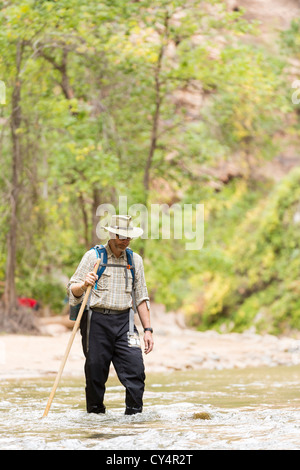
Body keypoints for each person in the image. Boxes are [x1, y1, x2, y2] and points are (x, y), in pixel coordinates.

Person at [67, 215, 154, 415]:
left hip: (125, 322)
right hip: (96, 321)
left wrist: (148, 330)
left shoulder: (135, 260)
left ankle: (133, 418)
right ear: (112, 234)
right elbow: (72, 290)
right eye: (122, 236)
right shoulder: (93, 257)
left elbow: (141, 297)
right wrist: (84, 284)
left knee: (136, 370)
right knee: (95, 372)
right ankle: (96, 417)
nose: (126, 240)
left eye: (128, 237)